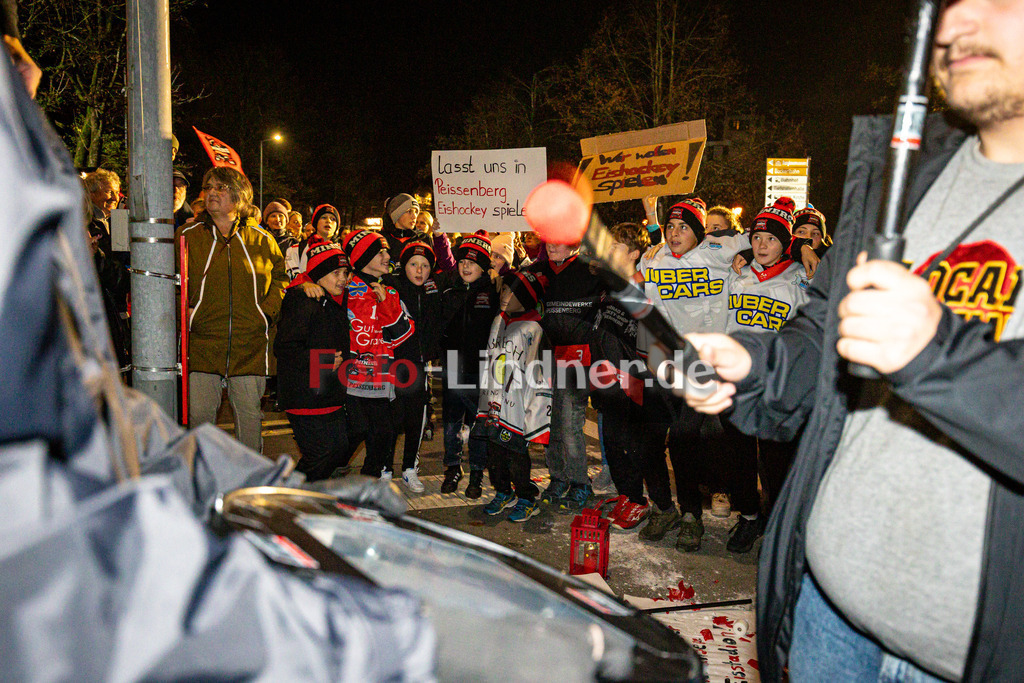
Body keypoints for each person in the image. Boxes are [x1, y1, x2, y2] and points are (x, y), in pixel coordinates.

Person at [683, 1, 1024, 678]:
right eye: (946, 4)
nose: (956, 23)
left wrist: (937, 352)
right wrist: (756, 365)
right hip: (828, 607)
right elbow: (824, 329)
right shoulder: (902, 177)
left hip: (970, 653)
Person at [717, 203, 809, 553]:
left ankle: (777, 522)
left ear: (786, 243)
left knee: (776, 461)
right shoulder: (736, 271)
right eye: (756, 237)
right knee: (738, 457)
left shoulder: (800, 276)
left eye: (772, 238)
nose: (762, 244)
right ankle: (750, 516)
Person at [177, 167, 287, 453]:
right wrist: (184, 311)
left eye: (220, 188)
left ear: (239, 197)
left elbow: (281, 278)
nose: (211, 192)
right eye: (208, 187)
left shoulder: (262, 239)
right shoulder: (187, 235)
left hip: (249, 345)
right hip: (202, 343)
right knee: (200, 422)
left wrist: (265, 314)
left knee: (250, 421)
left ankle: (248, 487)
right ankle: (202, 483)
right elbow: (166, 279)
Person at [530, 238, 606, 513]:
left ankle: (579, 481)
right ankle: (558, 477)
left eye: (559, 242)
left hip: (578, 359)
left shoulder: (591, 269)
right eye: (548, 241)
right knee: (549, 422)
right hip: (546, 357)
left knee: (570, 424)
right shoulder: (537, 271)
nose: (552, 246)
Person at [340, 229, 414, 480]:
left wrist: (385, 304)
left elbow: (402, 334)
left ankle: (367, 483)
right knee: (357, 429)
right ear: (363, 257)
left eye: (386, 251)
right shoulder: (345, 286)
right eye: (380, 252)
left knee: (384, 432)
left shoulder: (391, 289)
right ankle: (325, 468)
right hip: (348, 374)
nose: (387, 256)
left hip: (381, 374)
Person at [273, 242, 351, 481]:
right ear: (318, 275)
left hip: (328, 389)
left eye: (345, 273)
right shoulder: (303, 299)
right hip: (304, 393)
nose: (342, 279)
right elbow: (284, 347)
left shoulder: (334, 298)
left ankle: (307, 497)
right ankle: (289, 497)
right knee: (320, 453)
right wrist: (326, 360)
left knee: (338, 449)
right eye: (335, 273)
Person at [478, 270, 551, 523]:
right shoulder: (499, 320)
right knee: (494, 453)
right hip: (494, 402)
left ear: (526, 297)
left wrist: (535, 412)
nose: (505, 295)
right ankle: (503, 491)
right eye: (504, 289)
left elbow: (539, 372)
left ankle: (527, 497)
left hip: (518, 405)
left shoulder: (534, 328)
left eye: (512, 291)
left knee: (516, 455)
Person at [438, 234, 499, 498]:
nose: (466, 267)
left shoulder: (494, 291)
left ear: (484, 267)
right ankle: (452, 467)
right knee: (452, 421)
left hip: (481, 367)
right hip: (452, 364)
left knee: (477, 422)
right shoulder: (449, 290)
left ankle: (476, 471)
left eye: (473, 263)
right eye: (462, 261)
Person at [384, 240, 445, 492]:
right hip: (393, 362)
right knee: (391, 418)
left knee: (416, 419)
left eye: (425, 266)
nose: (419, 271)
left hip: (420, 364)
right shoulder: (391, 285)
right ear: (403, 266)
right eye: (413, 264)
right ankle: (385, 470)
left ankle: (410, 467)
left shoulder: (433, 289)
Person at [285, 204, 340, 279]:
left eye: (333, 219)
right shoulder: (296, 250)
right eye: (323, 217)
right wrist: (305, 284)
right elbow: (292, 276)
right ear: (315, 223)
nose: (328, 221)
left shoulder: (344, 251)